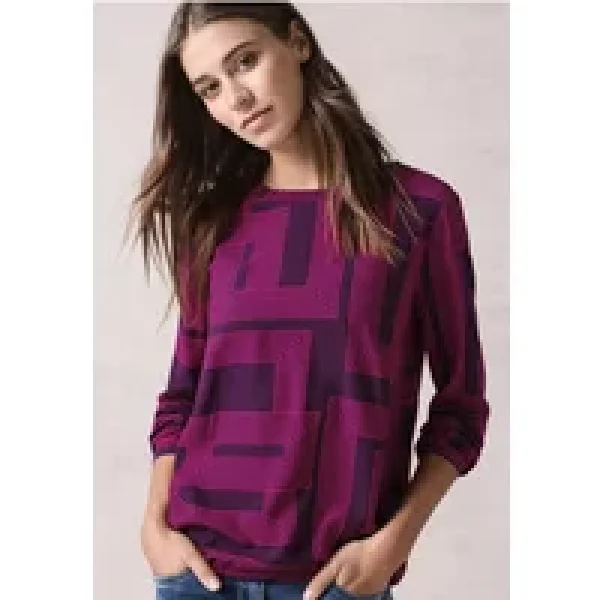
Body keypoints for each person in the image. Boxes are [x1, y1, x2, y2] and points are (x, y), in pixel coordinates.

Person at [128, 3, 490, 600]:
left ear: (297, 43)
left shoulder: (418, 209)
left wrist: (395, 541)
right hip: (198, 573)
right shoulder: (214, 220)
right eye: (210, 88)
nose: (237, 99)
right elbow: (183, 394)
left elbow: (462, 407)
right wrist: (154, 526)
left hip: (335, 581)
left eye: (245, 62)